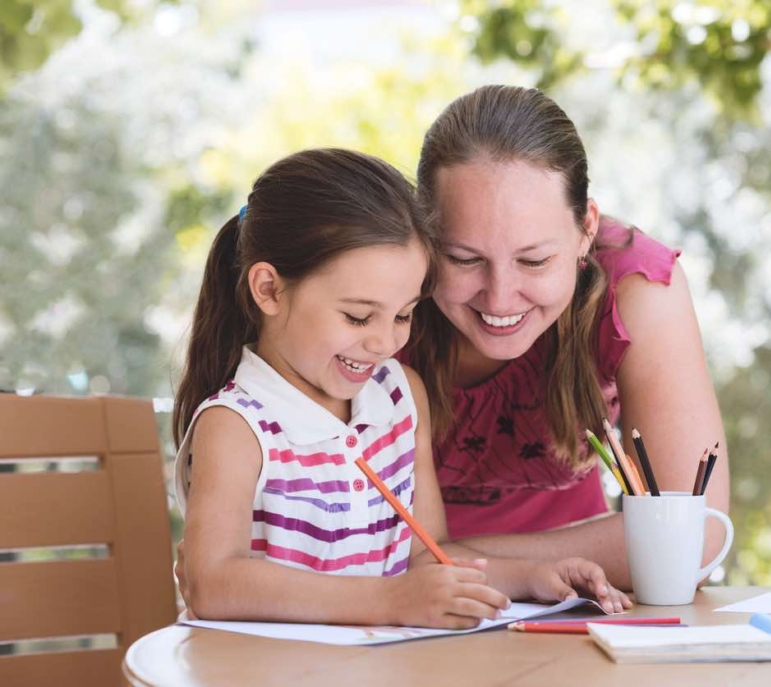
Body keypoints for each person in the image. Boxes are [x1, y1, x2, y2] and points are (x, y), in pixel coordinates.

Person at [171, 148, 628, 629]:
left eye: (404, 314)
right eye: (358, 316)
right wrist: (388, 600)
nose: (385, 341)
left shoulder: (400, 397)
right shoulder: (236, 425)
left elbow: (427, 555)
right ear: (268, 290)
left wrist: (533, 577)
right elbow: (211, 582)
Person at [400, 85, 729, 588]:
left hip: (572, 592)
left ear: (586, 230)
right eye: (464, 259)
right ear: (423, 236)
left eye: (534, 260)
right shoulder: (376, 287)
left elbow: (692, 537)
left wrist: (440, 557)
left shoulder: (635, 286)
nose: (500, 297)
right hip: (400, 600)